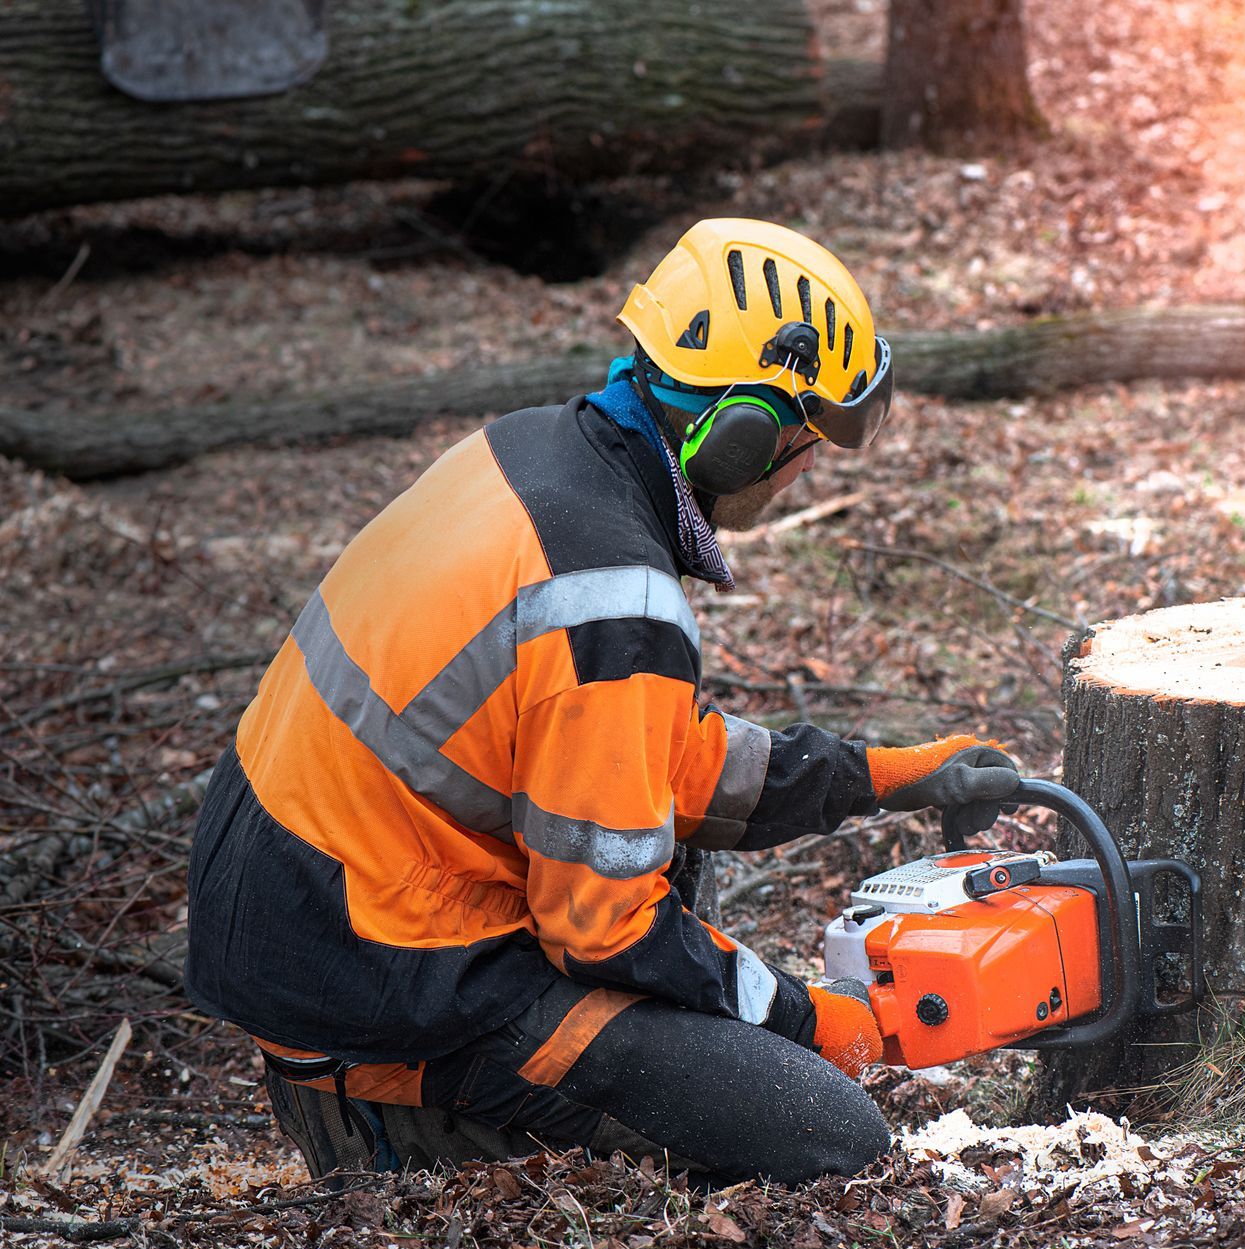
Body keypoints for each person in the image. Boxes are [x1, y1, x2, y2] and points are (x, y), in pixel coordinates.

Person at [184, 219, 1020, 1187]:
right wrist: (803, 1016)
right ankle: (410, 1130)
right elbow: (605, 927)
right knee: (833, 1132)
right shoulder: (613, 596)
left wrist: (882, 776)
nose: (807, 465)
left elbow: (648, 761)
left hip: (328, 927)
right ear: (741, 429)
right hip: (383, 994)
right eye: (808, 435)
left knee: (684, 899)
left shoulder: (532, 454)